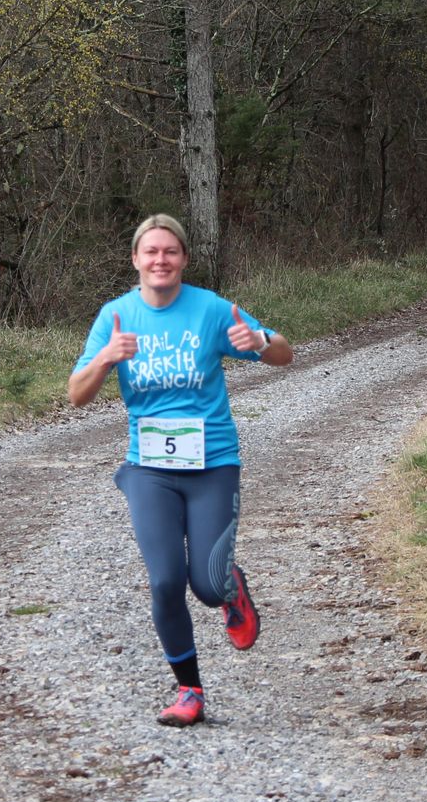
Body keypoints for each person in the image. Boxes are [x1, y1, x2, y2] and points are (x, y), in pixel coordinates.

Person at [68, 214, 294, 727]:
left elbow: (284, 353)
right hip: (149, 469)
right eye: (151, 251)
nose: (160, 260)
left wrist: (259, 343)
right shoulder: (116, 316)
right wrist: (104, 360)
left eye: (170, 251)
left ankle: (229, 587)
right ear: (135, 259)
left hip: (212, 463)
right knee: (166, 581)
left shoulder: (209, 309)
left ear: (184, 259)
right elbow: (77, 395)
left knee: (207, 586)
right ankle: (189, 690)